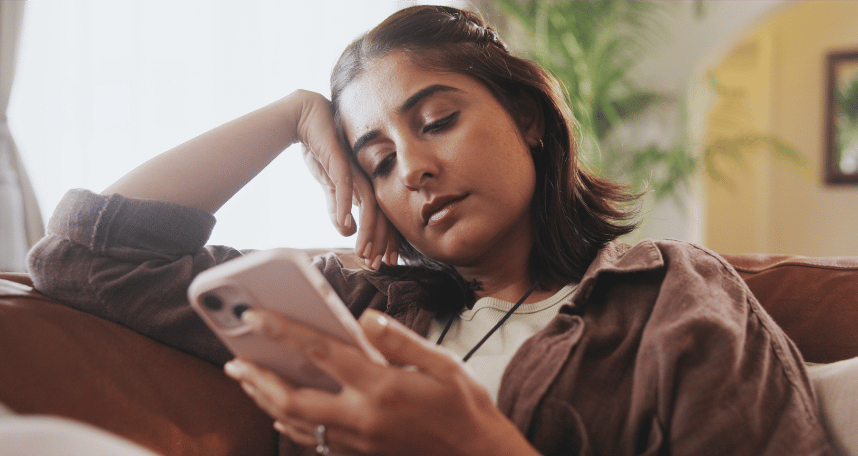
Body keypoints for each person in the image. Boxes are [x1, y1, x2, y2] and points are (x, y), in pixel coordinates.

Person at [27, 5, 834, 456]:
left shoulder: (673, 300)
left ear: (530, 120)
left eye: (437, 120)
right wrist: (288, 116)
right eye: (375, 161)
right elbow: (83, 254)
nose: (410, 169)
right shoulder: (357, 307)